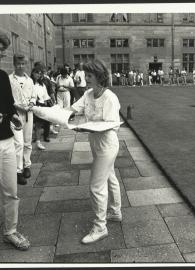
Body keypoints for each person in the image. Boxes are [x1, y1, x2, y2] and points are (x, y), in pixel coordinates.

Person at [70, 59, 122, 244]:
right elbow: (73, 109)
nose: (86, 79)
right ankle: (115, 212)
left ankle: (100, 227)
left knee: (96, 186)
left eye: (89, 76)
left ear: (100, 77)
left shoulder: (110, 98)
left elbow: (110, 125)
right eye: (85, 75)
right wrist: (51, 112)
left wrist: (84, 128)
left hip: (107, 145)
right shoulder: (88, 94)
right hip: (95, 144)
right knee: (110, 177)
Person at [0, 31, 31, 250]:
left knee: (11, 190)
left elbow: (8, 107)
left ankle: (10, 231)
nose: (1, 52)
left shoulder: (1, 76)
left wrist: (14, 119)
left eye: (2, 49)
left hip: (6, 140)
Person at [9, 53, 36, 185]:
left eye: (23, 64)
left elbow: (33, 96)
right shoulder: (9, 79)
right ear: (14, 64)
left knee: (27, 141)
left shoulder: (30, 80)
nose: (20, 66)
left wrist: (31, 103)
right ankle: (18, 171)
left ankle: (27, 166)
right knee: (18, 143)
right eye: (18, 64)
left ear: (26, 64)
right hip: (15, 115)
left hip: (28, 114)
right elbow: (8, 98)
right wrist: (18, 107)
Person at [31, 67, 52, 150]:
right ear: (32, 73)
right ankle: (30, 141)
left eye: (40, 73)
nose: (38, 75)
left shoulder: (42, 84)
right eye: (36, 73)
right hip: (32, 105)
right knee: (31, 125)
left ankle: (38, 142)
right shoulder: (30, 83)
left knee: (39, 125)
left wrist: (50, 102)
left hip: (41, 105)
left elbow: (45, 96)